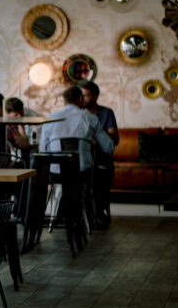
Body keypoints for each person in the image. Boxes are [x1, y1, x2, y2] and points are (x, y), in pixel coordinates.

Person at [39, 86, 114, 172]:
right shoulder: (90, 118)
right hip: (83, 175)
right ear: (81, 98)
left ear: (64, 101)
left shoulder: (50, 119)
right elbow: (109, 147)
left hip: (56, 175)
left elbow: (43, 151)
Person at [80, 81, 119, 228]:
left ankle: (99, 212)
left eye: (86, 95)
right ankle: (77, 214)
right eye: (81, 96)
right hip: (82, 158)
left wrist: (98, 136)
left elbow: (114, 140)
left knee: (101, 171)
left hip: (101, 157)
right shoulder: (77, 115)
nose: (83, 99)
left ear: (95, 96)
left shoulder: (106, 113)